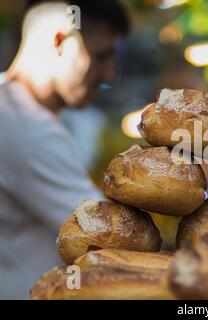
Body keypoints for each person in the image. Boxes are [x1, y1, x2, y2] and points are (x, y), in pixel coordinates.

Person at [0, 0, 129, 299]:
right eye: (101, 56)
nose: (110, 74)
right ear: (60, 40)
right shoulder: (28, 130)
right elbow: (110, 235)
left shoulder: (12, 104)